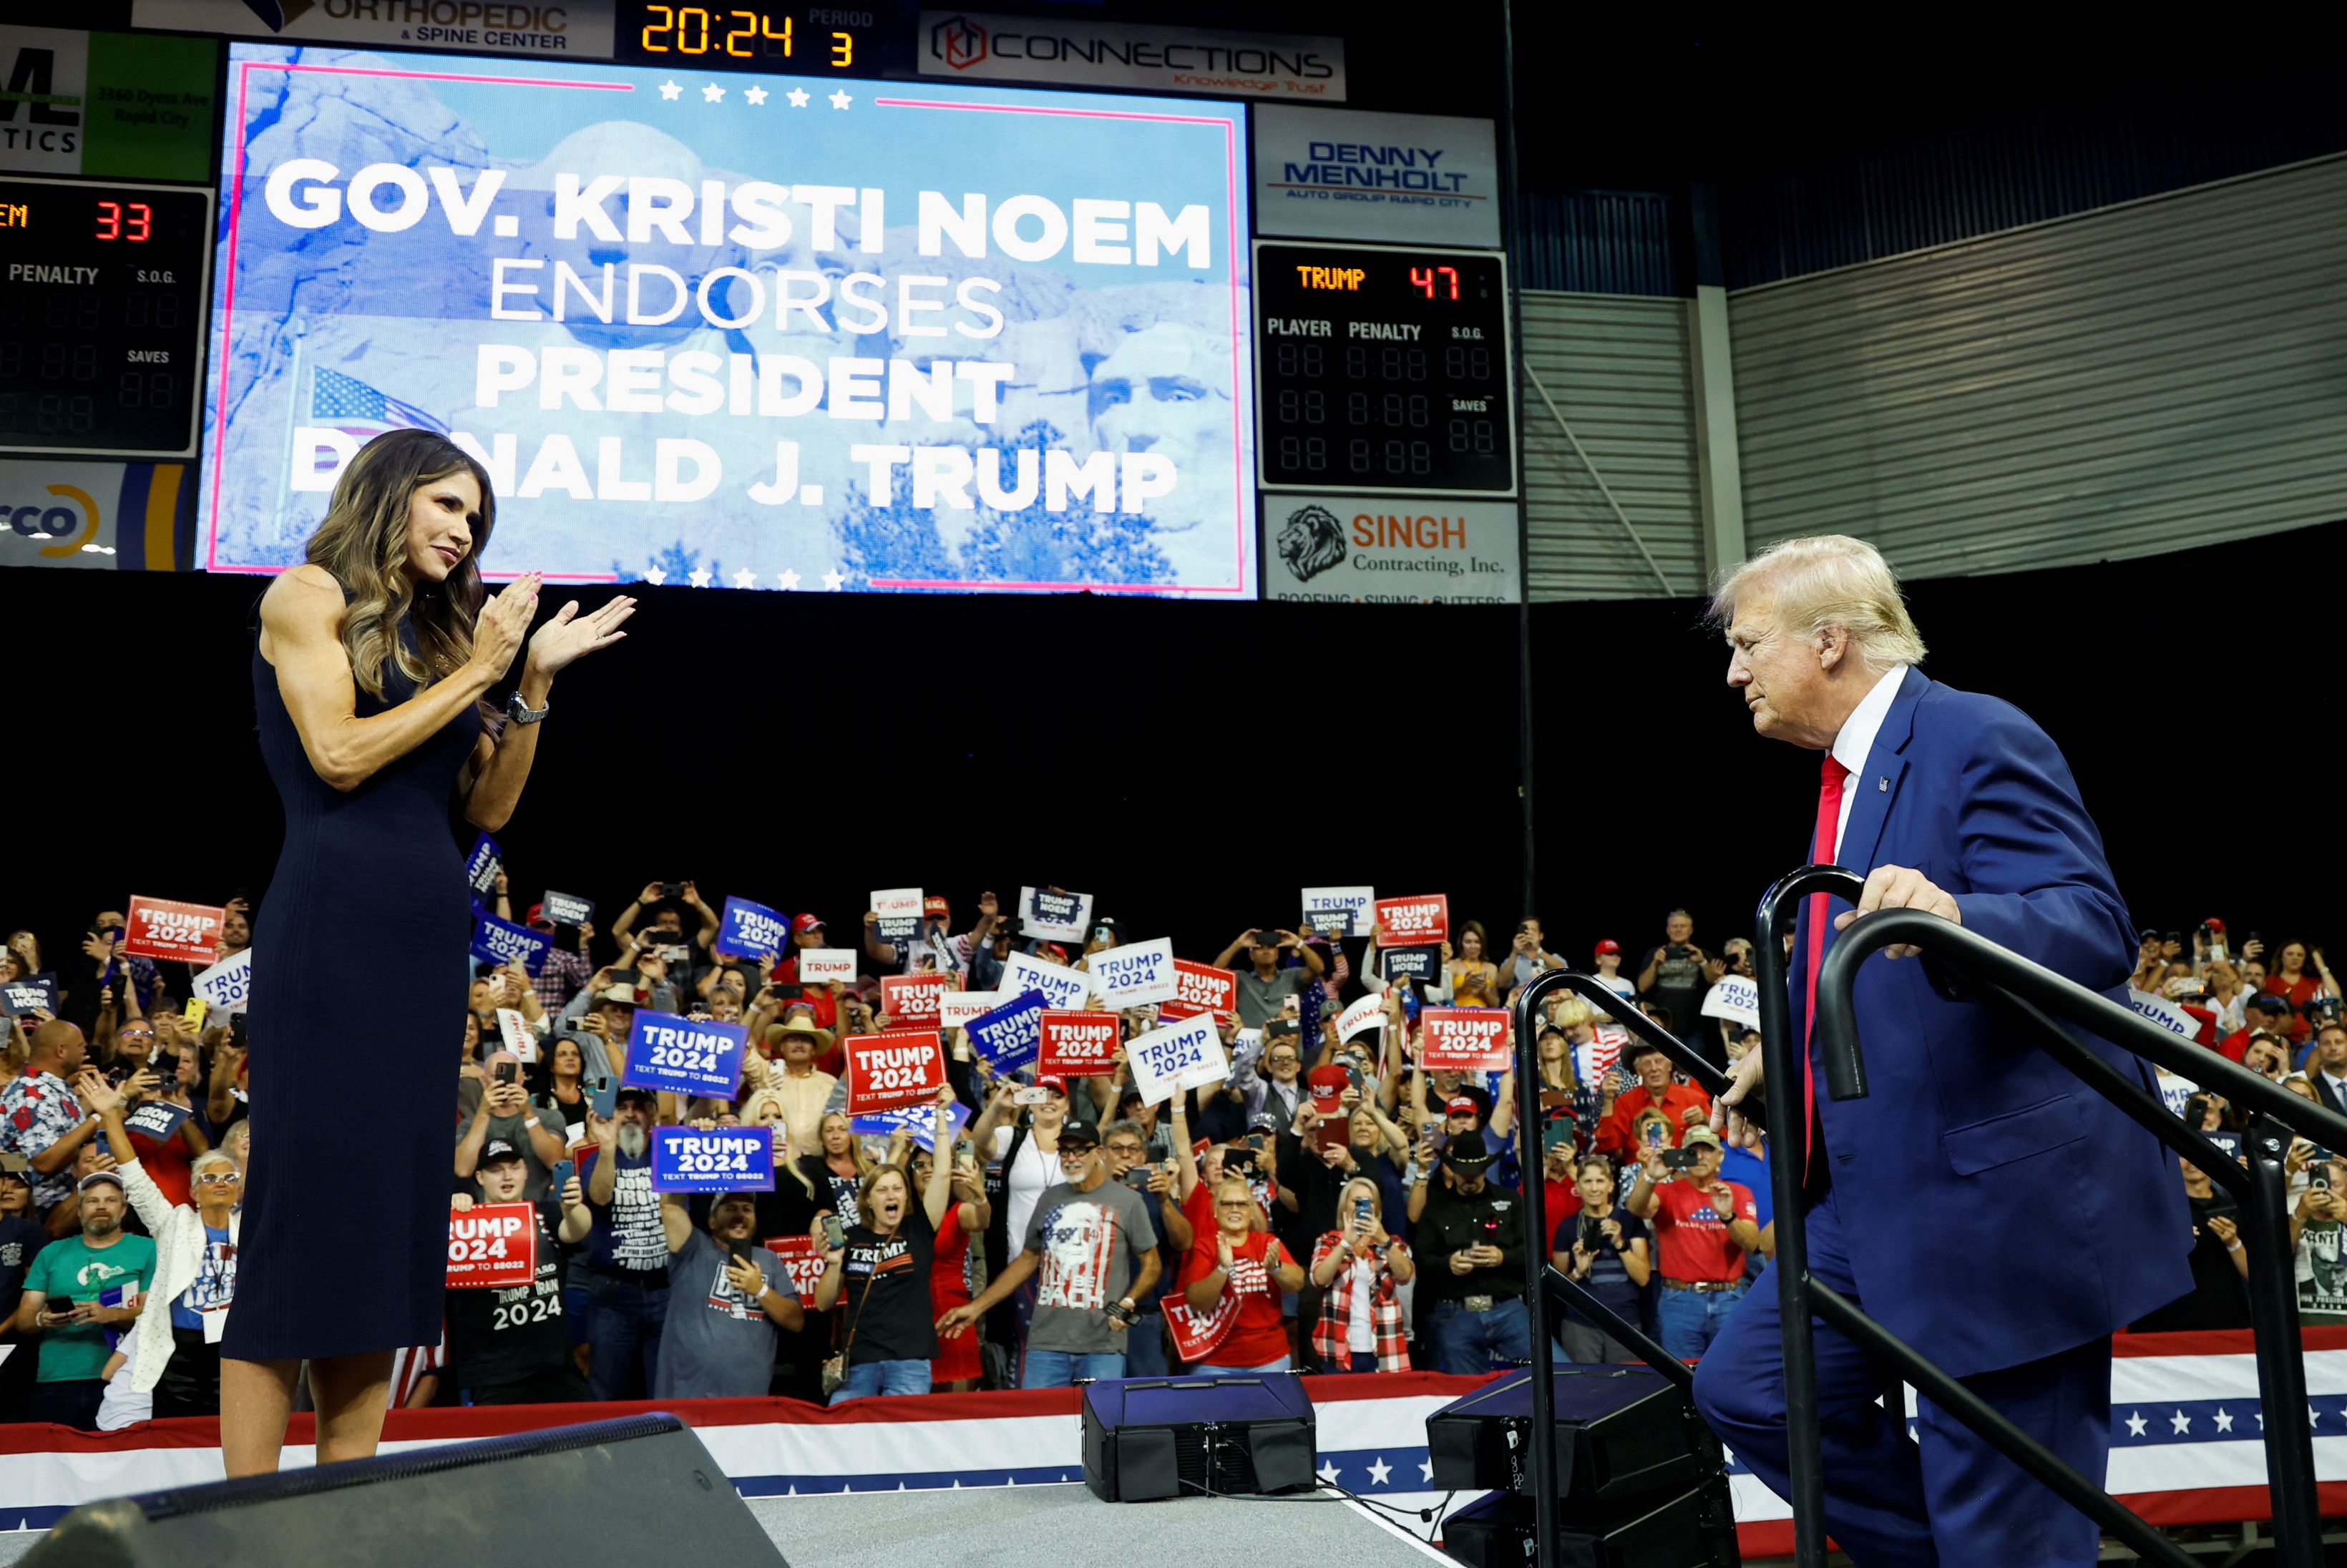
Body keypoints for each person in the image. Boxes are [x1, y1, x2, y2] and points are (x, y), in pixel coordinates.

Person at [1699, 534, 2188, 1567]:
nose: (1734, 671)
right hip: (1878, 1195)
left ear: (1829, 641)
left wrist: (1962, 914)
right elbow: (1863, 963)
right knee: (1750, 1387)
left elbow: (2092, 924)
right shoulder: (1850, 773)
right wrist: (1786, 1060)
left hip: (2004, 1208)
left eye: (1748, 644)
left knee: (2005, 1508)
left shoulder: (1973, 733)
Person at [230, 428, 633, 1476]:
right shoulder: (305, 596)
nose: (464, 532)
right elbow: (340, 753)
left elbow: (487, 807)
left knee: (382, 1232)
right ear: (390, 493)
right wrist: (485, 671)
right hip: (329, 930)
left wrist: (531, 683)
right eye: (448, 506)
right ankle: (247, 1519)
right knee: (300, 1221)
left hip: (421, 946)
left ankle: (342, 1502)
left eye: (476, 518)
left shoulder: (449, 639)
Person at [936, 1124, 1160, 1387]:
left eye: (1079, 1151)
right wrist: (977, 1307)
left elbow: (1152, 1263)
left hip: (1102, 1342)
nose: (1071, 1158)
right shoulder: (1050, 1198)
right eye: (1064, 1152)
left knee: (1099, 1423)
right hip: (1046, 1342)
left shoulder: (1127, 1201)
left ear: (1098, 1152)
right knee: (1040, 1424)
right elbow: (1028, 1259)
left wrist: (1129, 1302)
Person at [83, 1073, 242, 1418]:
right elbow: (135, 1178)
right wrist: (111, 1117)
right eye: (209, 1178)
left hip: (235, 1347)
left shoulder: (252, 1228)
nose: (220, 1183)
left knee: (227, 1433)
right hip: (179, 1347)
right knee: (177, 1433)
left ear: (240, 1190)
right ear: (193, 1191)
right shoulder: (173, 1222)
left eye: (229, 1178)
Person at [814, 1090, 957, 1400]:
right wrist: (835, 1263)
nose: (891, 1195)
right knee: (844, 1434)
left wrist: (942, 1117)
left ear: (907, 1196)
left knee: (904, 1442)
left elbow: (943, 1174)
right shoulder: (851, 1237)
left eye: (898, 1189)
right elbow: (824, 1303)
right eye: (882, 1190)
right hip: (859, 1364)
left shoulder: (919, 1229)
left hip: (909, 1361)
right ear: (868, 1199)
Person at [444, 1139, 592, 1405]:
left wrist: (572, 1208)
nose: (507, 1176)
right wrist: (454, 1216)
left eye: (514, 1167)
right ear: (479, 1177)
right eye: (496, 1169)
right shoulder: (463, 1226)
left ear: (526, 1171)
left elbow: (576, 1230)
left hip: (554, 1365)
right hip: (492, 1373)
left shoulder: (546, 1215)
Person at [10, 1167, 156, 1429]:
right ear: (78, 1211)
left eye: (110, 1200)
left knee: (121, 1459)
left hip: (127, 1377)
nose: (101, 1206)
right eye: (92, 1200)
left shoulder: (148, 1249)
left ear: (124, 1210)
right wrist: (43, 1319)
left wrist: (111, 1314)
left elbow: (157, 1313)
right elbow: (24, 1319)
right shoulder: (52, 1253)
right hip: (57, 1375)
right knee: (53, 1461)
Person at [653, 1186, 804, 1398]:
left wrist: (759, 1290)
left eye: (747, 1209)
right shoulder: (693, 1248)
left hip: (749, 1402)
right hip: (687, 1396)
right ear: (712, 1221)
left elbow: (795, 1321)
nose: (740, 1216)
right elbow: (670, 1209)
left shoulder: (769, 1260)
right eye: (730, 1208)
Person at [1625, 1125, 1755, 1359]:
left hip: (1730, 1298)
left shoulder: (1737, 1192)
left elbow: (1752, 1243)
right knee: (1682, 1375)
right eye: (1693, 1151)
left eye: (1708, 1150)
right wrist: (1650, 1177)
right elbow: (1636, 1208)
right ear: (1684, 1156)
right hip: (1680, 1301)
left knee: (1731, 1370)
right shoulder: (1667, 1192)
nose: (1701, 1157)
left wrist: (1728, 1216)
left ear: (1720, 1156)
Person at [1411, 1130, 1528, 1373]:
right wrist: (1448, 1264)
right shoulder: (1436, 1208)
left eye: (1475, 1173)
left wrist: (1502, 1258)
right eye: (1464, 1174)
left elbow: (1532, 1253)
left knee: (1558, 1369)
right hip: (1456, 1312)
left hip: (1507, 1308)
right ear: (1452, 1170)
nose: (1470, 1179)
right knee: (1467, 1395)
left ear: (1485, 1169)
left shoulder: (1511, 1201)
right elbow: (1421, 1260)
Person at [579, 1089, 670, 1400]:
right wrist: (606, 1148)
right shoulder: (596, 1159)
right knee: (605, 1392)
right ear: (611, 1115)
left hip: (666, 1293)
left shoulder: (671, 1153)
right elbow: (600, 1197)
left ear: (653, 1114)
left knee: (664, 1392)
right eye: (622, 1107)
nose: (630, 1113)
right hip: (614, 1295)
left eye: (639, 1107)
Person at [1181, 1176, 1305, 1375]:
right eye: (1227, 1204)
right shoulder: (1204, 1246)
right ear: (1215, 1210)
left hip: (1269, 1359)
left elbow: (1297, 1283)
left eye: (1242, 1204)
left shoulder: (1266, 1242)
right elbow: (1198, 1302)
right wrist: (1222, 1268)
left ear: (1251, 1211)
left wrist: (1275, 1268)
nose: (1235, 1209)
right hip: (1215, 1362)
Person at [1306, 1176, 1415, 1372]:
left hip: (1386, 1351)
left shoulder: (1394, 1244)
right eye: (1356, 1201)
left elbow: (1405, 1275)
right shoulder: (1329, 1241)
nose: (1362, 1206)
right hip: (1338, 1350)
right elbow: (1319, 1279)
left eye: (1369, 1201)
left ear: (1377, 1209)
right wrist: (1345, 1244)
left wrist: (1384, 1241)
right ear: (1344, 1208)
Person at [1553, 1156, 1652, 1363]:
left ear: (1611, 1185)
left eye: (1600, 1181)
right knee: (1583, 1388)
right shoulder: (1568, 1227)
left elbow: (1643, 1278)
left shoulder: (1629, 1220)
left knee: (1626, 1389)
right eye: (1588, 1182)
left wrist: (1620, 1243)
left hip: (1625, 1320)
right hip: (1581, 1324)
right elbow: (1558, 1289)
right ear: (1578, 1187)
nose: (1594, 1188)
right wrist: (1578, 1272)